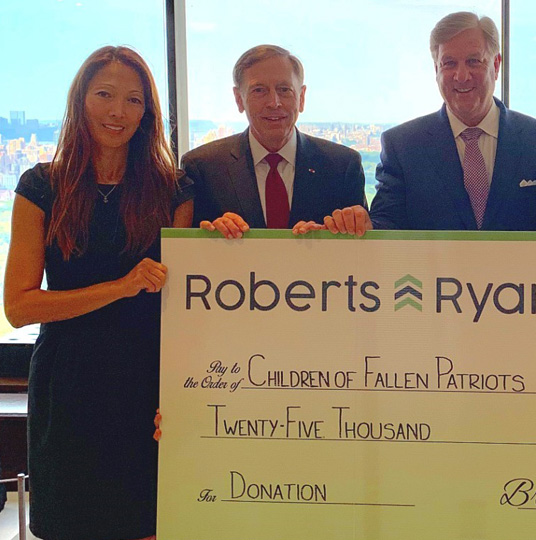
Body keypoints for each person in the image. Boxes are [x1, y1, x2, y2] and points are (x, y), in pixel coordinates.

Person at [3, 46, 194, 540]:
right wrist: (121, 287)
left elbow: (182, 308)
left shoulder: (174, 190)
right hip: (68, 382)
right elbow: (19, 306)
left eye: (133, 100)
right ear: (81, 100)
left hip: (146, 382)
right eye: (105, 94)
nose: (118, 111)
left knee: (149, 523)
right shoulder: (41, 186)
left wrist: (184, 390)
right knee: (70, 525)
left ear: (147, 112)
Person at [307, 12, 536, 236]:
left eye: (474, 61)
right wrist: (363, 225)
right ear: (436, 69)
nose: (461, 76)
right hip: (433, 277)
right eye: (449, 63)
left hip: (523, 277)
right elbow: (389, 224)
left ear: (496, 65)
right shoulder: (402, 146)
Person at [182, 44, 366, 238]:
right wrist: (211, 235)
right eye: (259, 90)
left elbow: (361, 245)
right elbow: (188, 250)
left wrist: (329, 236)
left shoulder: (342, 166)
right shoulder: (203, 168)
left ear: (301, 97)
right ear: (239, 99)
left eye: (284, 89)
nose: (274, 102)